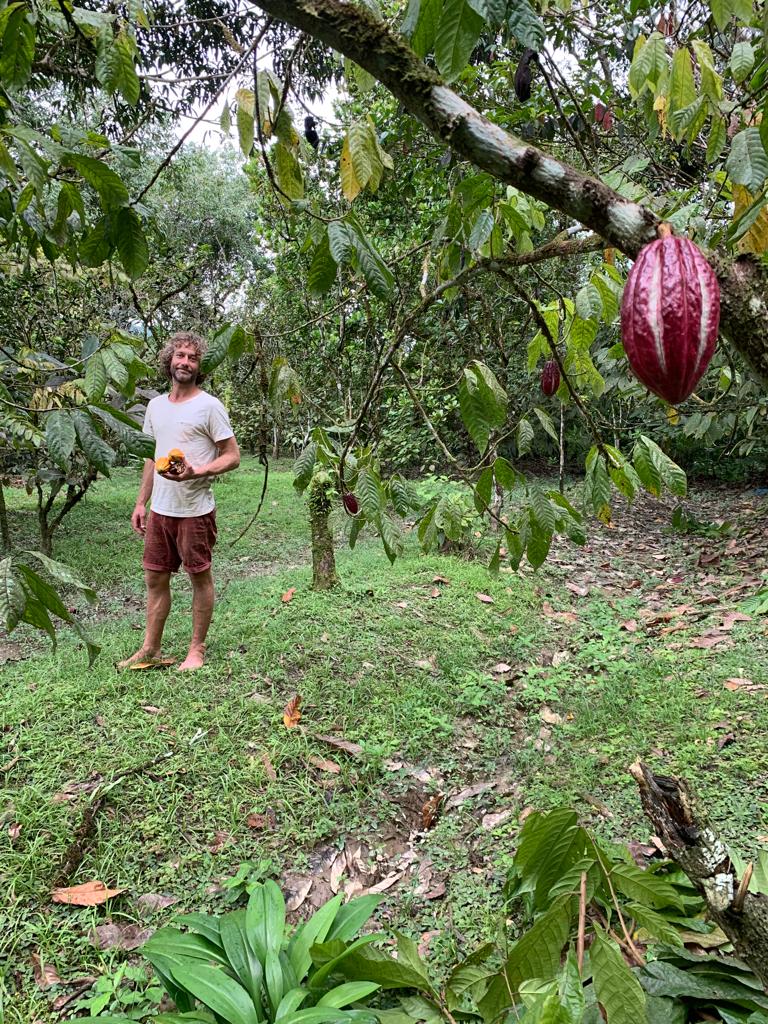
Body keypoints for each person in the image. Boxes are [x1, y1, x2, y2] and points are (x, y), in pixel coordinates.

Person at [119, 331, 240, 671]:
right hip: (160, 510)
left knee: (199, 577)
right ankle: (150, 648)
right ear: (169, 360)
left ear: (200, 367)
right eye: (180, 355)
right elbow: (150, 457)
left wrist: (197, 471)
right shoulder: (155, 406)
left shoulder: (209, 406)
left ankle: (196, 649)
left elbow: (232, 456)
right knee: (155, 579)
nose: (185, 362)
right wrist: (141, 502)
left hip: (194, 510)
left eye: (193, 358)